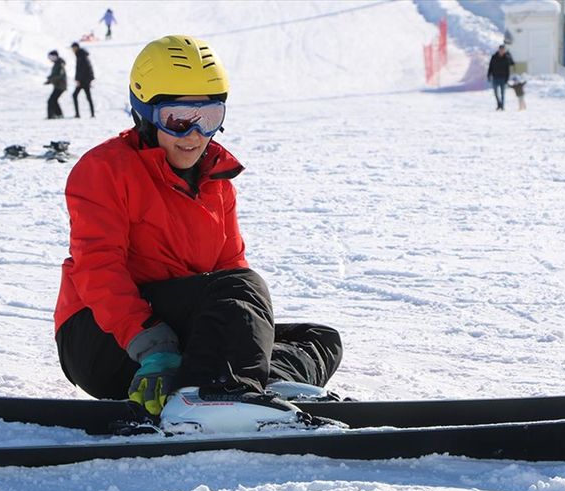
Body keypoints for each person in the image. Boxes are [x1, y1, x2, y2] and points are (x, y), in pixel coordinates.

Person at [54, 35, 342, 421]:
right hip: (104, 340)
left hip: (177, 335)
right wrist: (152, 345)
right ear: (145, 113)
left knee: (318, 340)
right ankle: (218, 394)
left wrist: (245, 336)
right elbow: (97, 269)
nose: (194, 135)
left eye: (209, 117)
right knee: (242, 287)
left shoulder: (216, 180)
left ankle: (260, 385)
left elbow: (229, 270)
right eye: (178, 119)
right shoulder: (104, 169)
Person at [70, 42, 95, 118]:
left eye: (73, 48)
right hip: (83, 80)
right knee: (85, 97)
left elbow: (85, 69)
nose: (72, 50)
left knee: (79, 96)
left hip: (84, 81)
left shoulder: (81, 56)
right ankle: (90, 114)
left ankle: (90, 114)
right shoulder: (80, 55)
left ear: (76, 47)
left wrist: (80, 80)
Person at [487, 44, 514, 111]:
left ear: (504, 51)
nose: (502, 51)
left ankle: (502, 106)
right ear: (499, 50)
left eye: (503, 50)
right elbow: (490, 66)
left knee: (502, 93)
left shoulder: (506, 58)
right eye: (501, 49)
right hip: (495, 77)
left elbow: (509, 67)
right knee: (495, 92)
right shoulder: (494, 57)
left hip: (503, 78)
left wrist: (507, 79)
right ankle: (499, 103)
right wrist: (488, 75)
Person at [44, 50, 66, 119]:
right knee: (54, 100)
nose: (50, 59)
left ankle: (51, 115)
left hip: (60, 85)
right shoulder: (57, 63)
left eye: (51, 57)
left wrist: (51, 79)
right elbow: (55, 75)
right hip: (58, 85)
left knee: (51, 100)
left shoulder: (59, 64)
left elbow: (59, 75)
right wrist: (50, 80)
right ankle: (59, 114)